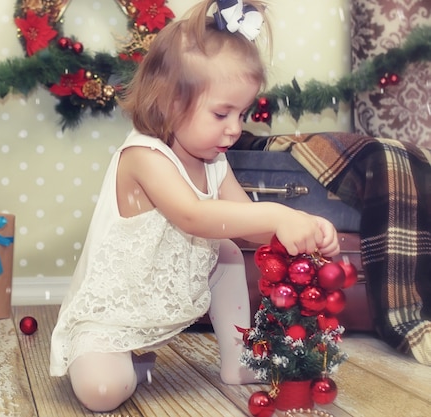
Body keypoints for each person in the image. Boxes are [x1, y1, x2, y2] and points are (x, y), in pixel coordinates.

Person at [49, 0, 340, 412]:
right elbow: (194, 216)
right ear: (169, 102)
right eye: (222, 113)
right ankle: (124, 361)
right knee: (102, 394)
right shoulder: (144, 157)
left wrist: (304, 224)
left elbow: (244, 226)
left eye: (242, 112)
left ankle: (237, 358)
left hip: (166, 306)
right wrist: (277, 213)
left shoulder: (214, 162)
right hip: (111, 318)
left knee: (227, 252)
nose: (236, 129)